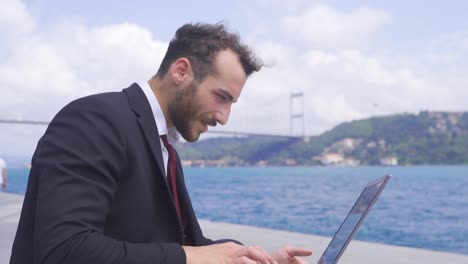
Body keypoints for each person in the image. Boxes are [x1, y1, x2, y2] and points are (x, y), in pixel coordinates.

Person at [10, 23, 312, 264]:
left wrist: (251, 259)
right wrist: (190, 256)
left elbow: (182, 246)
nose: (224, 117)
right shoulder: (94, 119)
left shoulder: (164, 147)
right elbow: (65, 250)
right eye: (221, 97)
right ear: (181, 71)